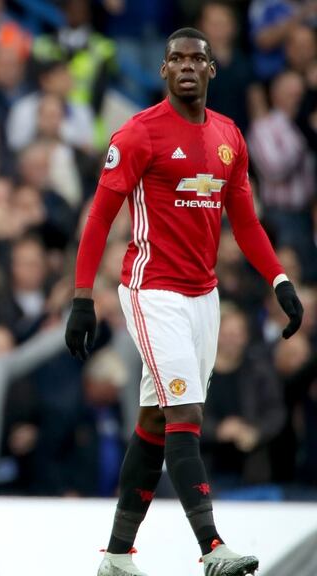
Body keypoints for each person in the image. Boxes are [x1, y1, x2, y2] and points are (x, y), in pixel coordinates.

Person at [65, 27, 304, 576]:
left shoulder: (228, 136)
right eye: (177, 59)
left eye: (198, 58)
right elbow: (100, 216)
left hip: (204, 297)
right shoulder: (138, 134)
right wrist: (83, 297)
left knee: (155, 421)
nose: (188, 66)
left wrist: (280, 282)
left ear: (212, 70)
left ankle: (119, 556)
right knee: (186, 412)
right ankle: (212, 547)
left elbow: (245, 221)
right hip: (153, 292)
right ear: (164, 71)